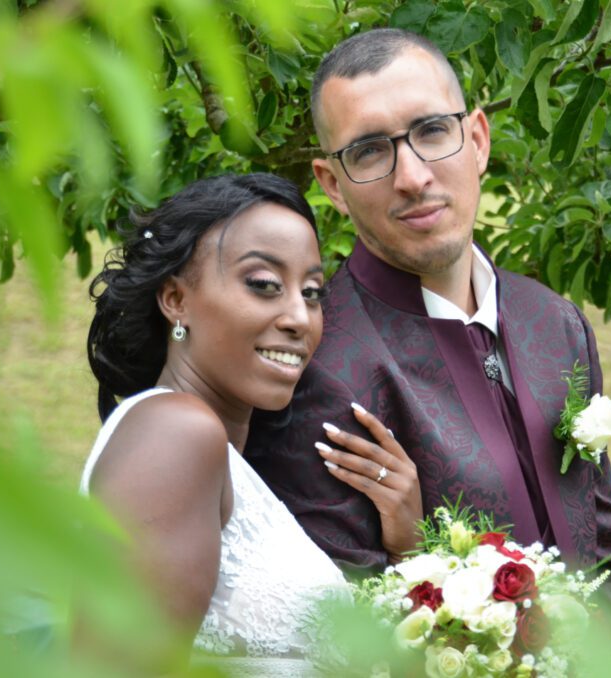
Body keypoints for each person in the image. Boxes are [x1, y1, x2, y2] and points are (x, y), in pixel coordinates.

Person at [246, 28, 611, 624]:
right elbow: (343, 635)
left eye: (432, 131)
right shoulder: (319, 368)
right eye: (369, 151)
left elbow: (609, 558)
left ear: (478, 140)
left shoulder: (557, 323)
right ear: (332, 185)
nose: (411, 177)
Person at [80, 173, 422, 673]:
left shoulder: (218, 455)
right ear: (176, 300)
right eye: (263, 285)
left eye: (311, 292)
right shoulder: (176, 433)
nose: (299, 318)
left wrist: (407, 549)